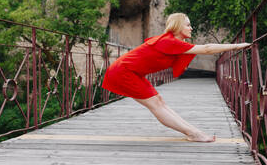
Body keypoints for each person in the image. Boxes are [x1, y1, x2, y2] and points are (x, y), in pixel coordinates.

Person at [102, 13, 251, 142]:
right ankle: (193, 133)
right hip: (123, 71)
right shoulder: (169, 41)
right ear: (178, 26)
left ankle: (193, 131)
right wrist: (237, 46)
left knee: (159, 101)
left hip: (130, 71)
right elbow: (207, 49)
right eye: (188, 25)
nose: (191, 28)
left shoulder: (173, 42)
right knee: (156, 104)